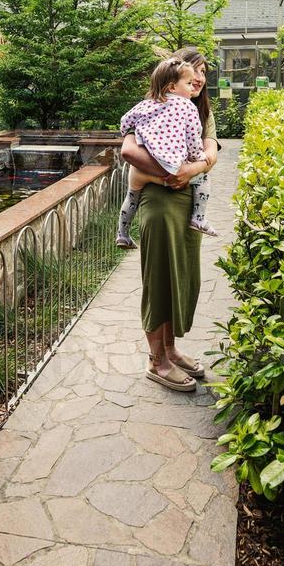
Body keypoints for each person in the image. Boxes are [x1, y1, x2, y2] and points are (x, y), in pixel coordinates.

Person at [122, 47, 219, 392]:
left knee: (181, 277)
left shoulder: (200, 110)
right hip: (160, 203)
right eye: (194, 70)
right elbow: (129, 152)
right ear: (172, 78)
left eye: (203, 71)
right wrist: (167, 176)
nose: (199, 77)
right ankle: (156, 362)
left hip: (187, 202)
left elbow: (210, 153)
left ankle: (171, 350)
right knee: (160, 280)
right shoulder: (153, 107)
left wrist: (189, 170)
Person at [115, 57, 218, 249]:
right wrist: (198, 158)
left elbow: (125, 121)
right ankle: (198, 218)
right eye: (189, 81)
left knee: (131, 198)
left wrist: (129, 131)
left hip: (142, 171)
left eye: (203, 72)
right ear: (172, 86)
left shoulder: (148, 104)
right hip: (174, 165)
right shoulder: (187, 106)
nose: (196, 81)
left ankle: (122, 233)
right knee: (203, 179)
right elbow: (194, 140)